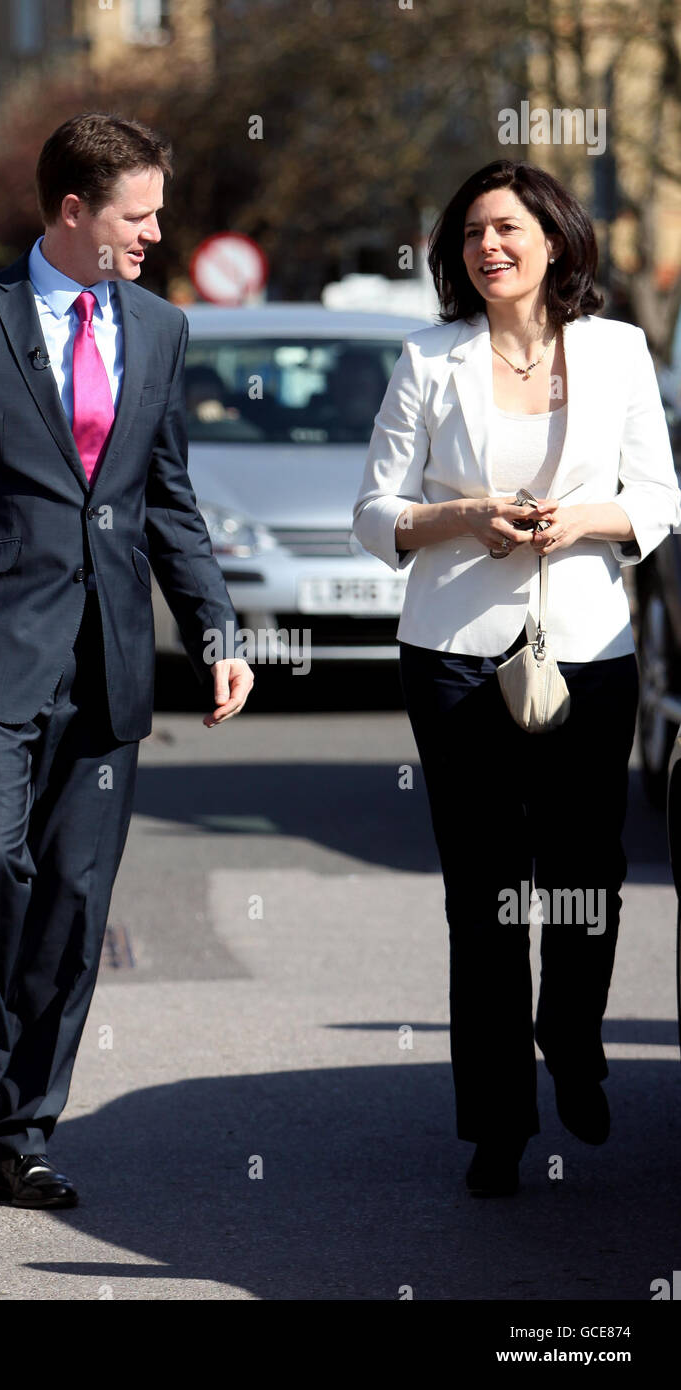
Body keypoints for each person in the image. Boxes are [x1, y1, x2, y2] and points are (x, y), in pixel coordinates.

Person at [0, 112, 253, 1209]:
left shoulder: (159, 330)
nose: (156, 233)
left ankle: (24, 1132)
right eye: (139, 214)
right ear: (73, 211)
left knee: (72, 897)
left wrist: (214, 628)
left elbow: (168, 498)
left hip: (108, 656)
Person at [352, 159, 680, 1198]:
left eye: (505, 229)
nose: (486, 247)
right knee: (483, 891)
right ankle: (496, 1119)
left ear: (552, 239)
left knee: (587, 869)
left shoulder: (618, 351)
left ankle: (572, 1040)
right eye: (470, 235)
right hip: (452, 654)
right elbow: (374, 513)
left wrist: (578, 522)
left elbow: (659, 500)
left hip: (587, 648)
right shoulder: (427, 358)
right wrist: (465, 517)